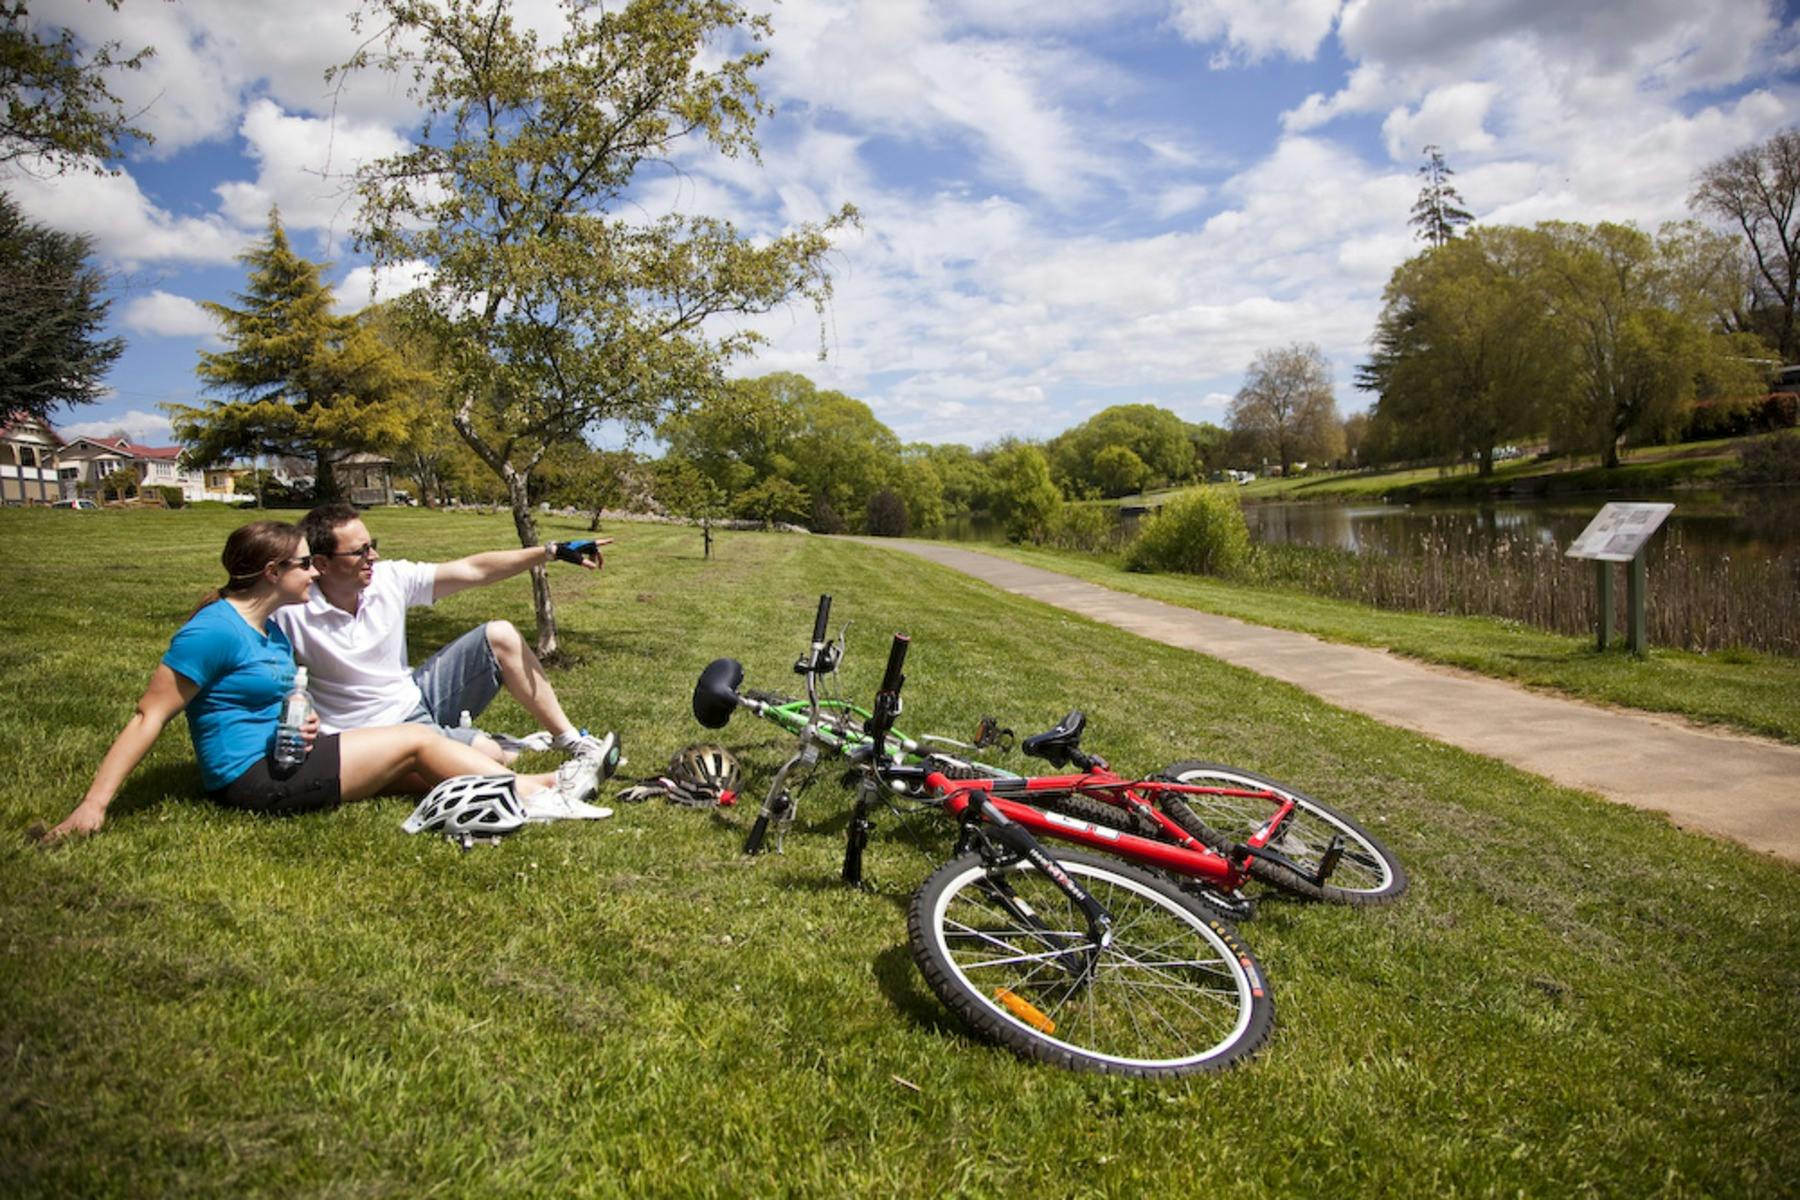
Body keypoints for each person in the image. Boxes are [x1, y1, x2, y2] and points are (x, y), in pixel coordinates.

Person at [44, 521, 607, 842]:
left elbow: (279, 696)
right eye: (303, 565)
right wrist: (94, 805)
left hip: (287, 757)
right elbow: (150, 715)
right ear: (274, 574)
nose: (311, 574)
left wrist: (304, 714)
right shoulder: (216, 630)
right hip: (252, 777)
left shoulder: (266, 630)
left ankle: (541, 776)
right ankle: (548, 793)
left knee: (423, 767)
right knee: (418, 745)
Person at [276, 503, 616, 768]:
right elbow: (237, 614)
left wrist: (551, 551)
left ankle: (568, 739)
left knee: (500, 634)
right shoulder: (292, 609)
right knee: (491, 755)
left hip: (416, 698)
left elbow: (474, 570)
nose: (373, 557)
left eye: (372, 546)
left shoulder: (389, 579)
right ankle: (489, 744)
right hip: (372, 734)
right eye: (360, 552)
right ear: (321, 563)